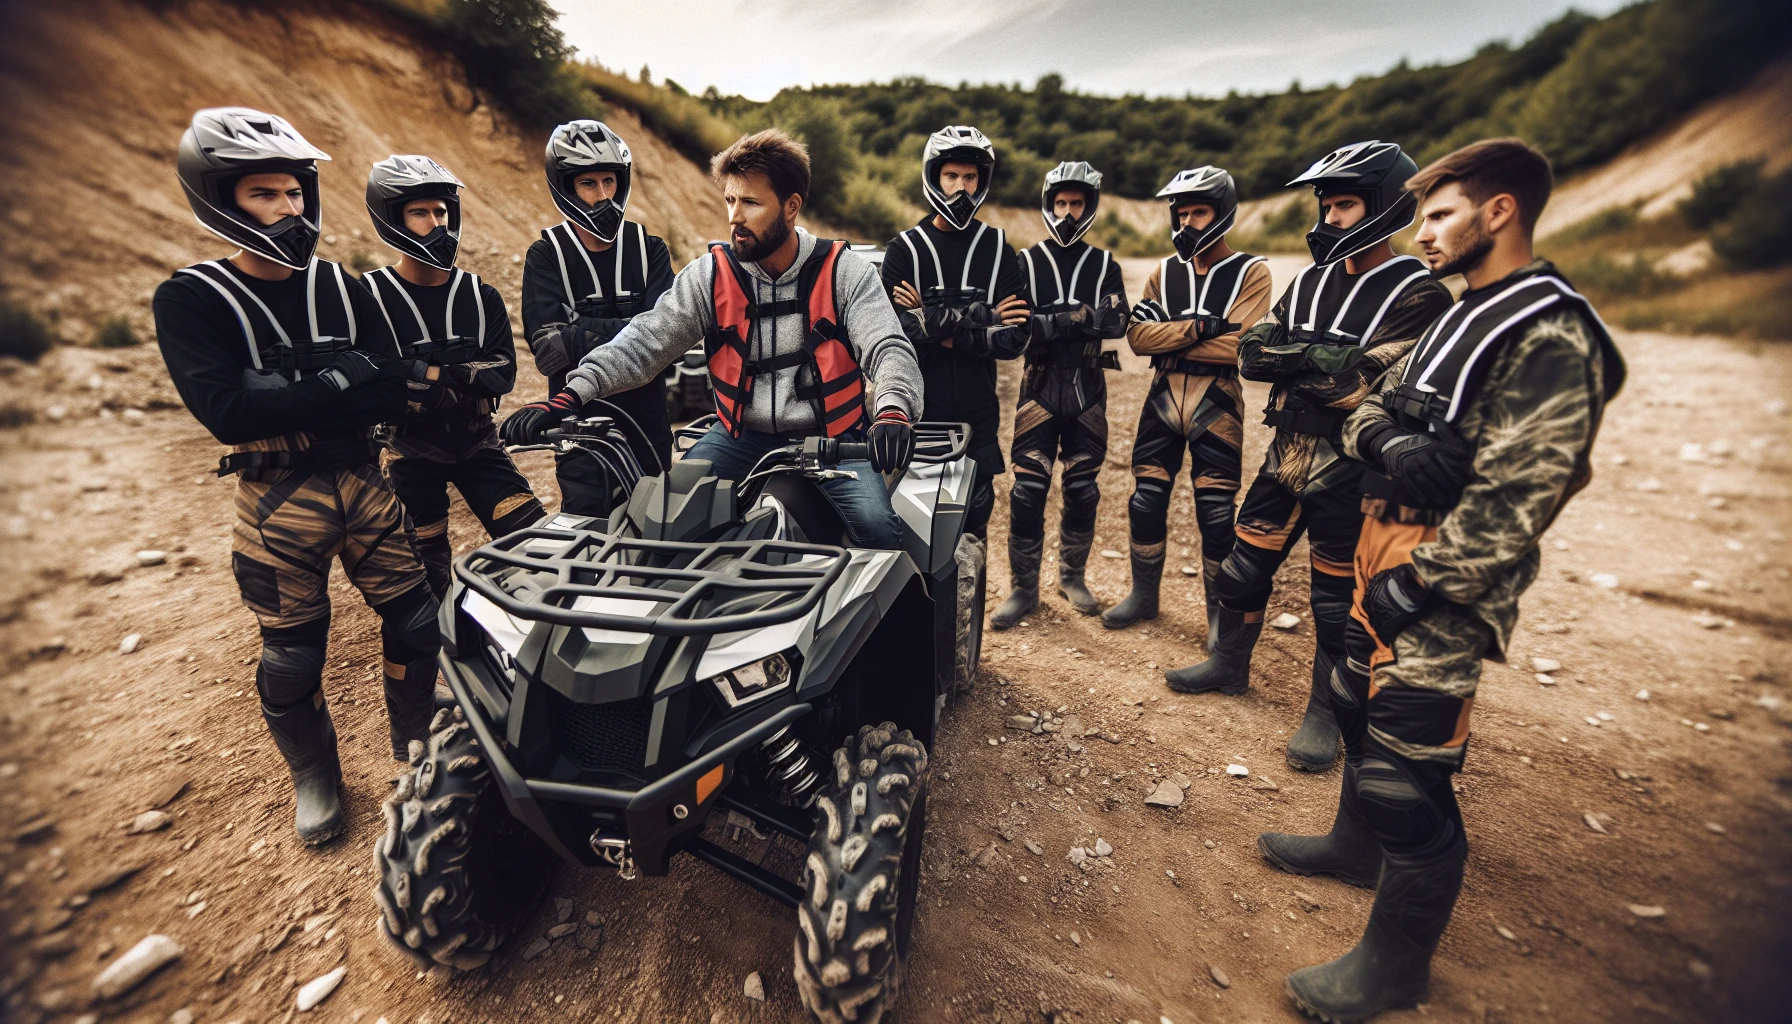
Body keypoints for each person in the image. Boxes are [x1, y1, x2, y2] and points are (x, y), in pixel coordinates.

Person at [1262, 137, 1626, 1022]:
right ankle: (1352, 849)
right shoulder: (1464, 308)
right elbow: (1369, 405)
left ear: (1499, 212)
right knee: (1350, 703)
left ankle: (1396, 967)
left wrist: (1425, 584)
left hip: (1442, 580)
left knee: (1405, 774)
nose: (1423, 234)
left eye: (1439, 215)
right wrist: (1391, 441)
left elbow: (1521, 495)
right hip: (1379, 545)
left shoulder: (1549, 329)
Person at [154, 109, 441, 845]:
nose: (289, 209)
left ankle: (414, 742)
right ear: (221, 199)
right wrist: (341, 380)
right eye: (265, 195)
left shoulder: (344, 287)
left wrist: (291, 395)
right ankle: (315, 775)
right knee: (291, 657)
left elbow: (393, 386)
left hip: (366, 483)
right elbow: (226, 415)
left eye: (293, 193)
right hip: (278, 501)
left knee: (417, 621)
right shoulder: (191, 298)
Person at [1168, 142, 1452, 778]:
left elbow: (1355, 385)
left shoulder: (1420, 293)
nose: (1327, 217)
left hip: (1350, 464)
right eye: (1324, 203)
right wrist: (1312, 359)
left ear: (1382, 207)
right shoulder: (1312, 278)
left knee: (1334, 600)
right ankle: (1228, 664)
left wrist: (1299, 358)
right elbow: (1250, 353)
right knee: (1240, 571)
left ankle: (1323, 713)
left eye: (1343, 204)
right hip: (1286, 451)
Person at [500, 130, 923, 549]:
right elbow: (643, 343)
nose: (735, 217)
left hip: (835, 437)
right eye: (730, 201)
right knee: (663, 521)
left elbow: (888, 347)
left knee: (879, 531)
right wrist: (569, 397)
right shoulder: (710, 275)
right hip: (741, 436)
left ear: (791, 207)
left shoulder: (847, 272)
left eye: (751, 203)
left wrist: (892, 411)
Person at [361, 155, 545, 597]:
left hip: (480, 444)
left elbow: (502, 374)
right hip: (407, 455)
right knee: (425, 580)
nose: (437, 223)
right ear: (392, 220)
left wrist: (426, 374)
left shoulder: (481, 295)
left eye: (441, 211)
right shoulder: (367, 296)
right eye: (420, 213)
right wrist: (462, 377)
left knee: (539, 549)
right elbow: (375, 382)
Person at [1102, 167, 1272, 640]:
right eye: (1182, 213)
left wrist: (1170, 337)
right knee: (1145, 500)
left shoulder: (1251, 271)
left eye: (1199, 212)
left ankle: (1219, 617)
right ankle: (1144, 595)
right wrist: (1201, 327)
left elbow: (1241, 347)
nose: (1188, 222)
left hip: (1217, 396)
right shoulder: (1163, 270)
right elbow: (1137, 339)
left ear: (1223, 213)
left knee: (1216, 512)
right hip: (1163, 392)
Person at [990, 161, 1128, 628]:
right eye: (1061, 203)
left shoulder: (1105, 263)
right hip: (1040, 387)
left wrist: (1051, 321)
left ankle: (1072, 577)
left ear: (1090, 206)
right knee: (1027, 491)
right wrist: (1079, 318)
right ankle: (1023, 588)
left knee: (1083, 490)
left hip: (1089, 390)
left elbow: (1117, 323)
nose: (1068, 212)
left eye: (1077, 203)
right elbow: (1016, 328)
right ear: (1049, 205)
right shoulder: (1024, 262)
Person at [879, 125, 1031, 542]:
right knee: (908, 517)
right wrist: (983, 315)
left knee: (974, 515)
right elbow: (897, 330)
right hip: (917, 407)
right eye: (951, 176)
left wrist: (934, 320)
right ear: (934, 177)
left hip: (977, 409)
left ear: (981, 180)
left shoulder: (999, 248)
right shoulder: (904, 249)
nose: (960, 187)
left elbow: (1015, 338)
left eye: (970, 177)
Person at [519, 120, 675, 516]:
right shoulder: (546, 254)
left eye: (609, 181)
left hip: (648, 423)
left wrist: (578, 331)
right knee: (589, 529)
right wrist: (636, 330)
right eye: (589, 184)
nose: (603, 195)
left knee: (656, 529)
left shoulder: (650, 249)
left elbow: (668, 337)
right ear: (566, 186)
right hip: (579, 424)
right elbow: (548, 351)